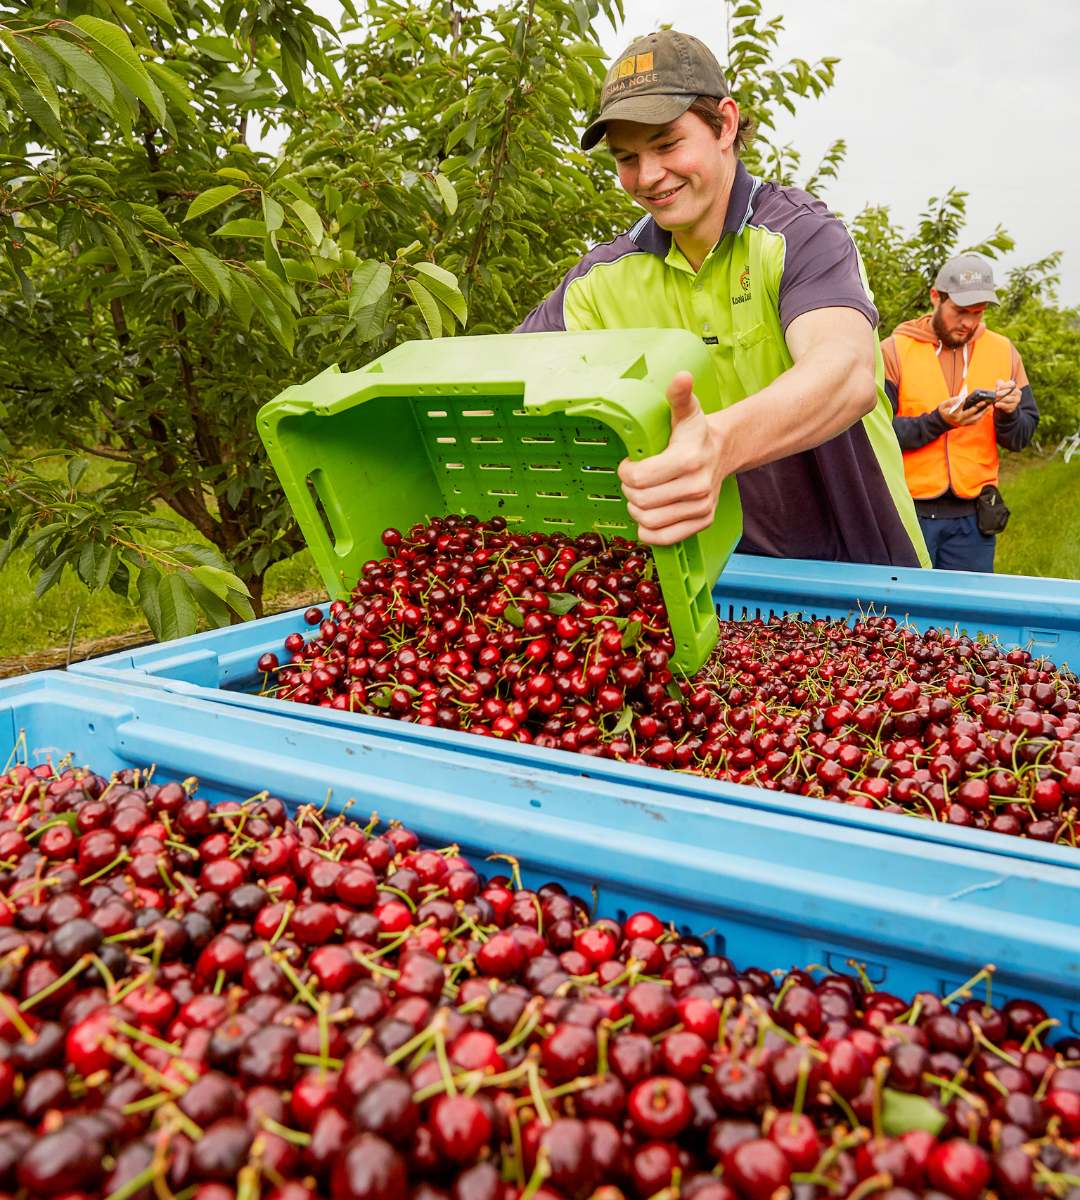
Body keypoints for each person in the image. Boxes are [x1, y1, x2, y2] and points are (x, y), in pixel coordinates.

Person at [516, 29, 929, 568]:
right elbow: (509, 376)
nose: (648, 176)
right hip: (717, 581)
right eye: (626, 157)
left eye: (667, 145)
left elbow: (844, 372)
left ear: (726, 125)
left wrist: (718, 444)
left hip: (864, 571)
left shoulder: (798, 236)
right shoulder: (603, 280)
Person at [882, 254, 1039, 572]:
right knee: (904, 616)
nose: (968, 323)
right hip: (908, 514)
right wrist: (938, 422)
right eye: (960, 312)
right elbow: (875, 435)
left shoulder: (1003, 351)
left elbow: (1021, 437)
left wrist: (1008, 414)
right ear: (935, 297)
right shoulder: (894, 351)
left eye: (978, 314)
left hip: (973, 521)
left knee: (968, 618)